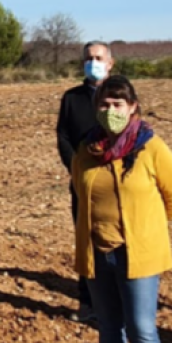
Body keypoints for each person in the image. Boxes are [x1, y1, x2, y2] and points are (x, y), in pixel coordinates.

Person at [72, 75, 172, 343]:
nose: (111, 111)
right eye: (105, 105)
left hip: (140, 255)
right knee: (109, 331)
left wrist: (145, 228)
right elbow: (79, 192)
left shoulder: (151, 148)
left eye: (118, 104)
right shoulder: (85, 151)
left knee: (142, 331)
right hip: (98, 252)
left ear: (133, 107)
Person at [57, 41, 114, 323]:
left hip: (115, 184)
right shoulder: (72, 98)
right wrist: (75, 167)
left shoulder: (119, 97)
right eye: (89, 58)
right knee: (85, 239)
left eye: (99, 58)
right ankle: (87, 301)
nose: (94, 62)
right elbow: (63, 137)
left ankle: (115, 300)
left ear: (110, 63)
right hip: (81, 181)